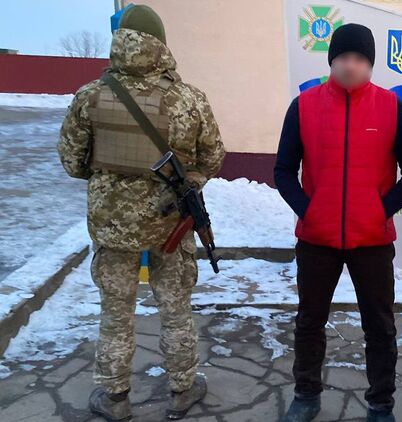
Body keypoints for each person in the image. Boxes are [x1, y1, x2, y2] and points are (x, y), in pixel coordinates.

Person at [57, 5, 225, 421]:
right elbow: (213, 157)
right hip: (172, 225)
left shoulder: (90, 97)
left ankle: (115, 398)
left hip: (112, 228)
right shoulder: (189, 99)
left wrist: (112, 183)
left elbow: (72, 162)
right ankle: (182, 389)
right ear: (161, 44)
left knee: (116, 315)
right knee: (176, 309)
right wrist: (191, 178)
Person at [274, 23, 402, 422]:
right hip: (317, 239)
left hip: (371, 239)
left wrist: (381, 209)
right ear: (331, 60)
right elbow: (283, 171)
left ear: (370, 64)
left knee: (380, 326)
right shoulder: (304, 106)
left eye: (360, 58)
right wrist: (308, 210)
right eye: (343, 57)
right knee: (310, 322)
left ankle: (381, 403)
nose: (350, 65)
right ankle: (306, 395)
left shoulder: (391, 108)